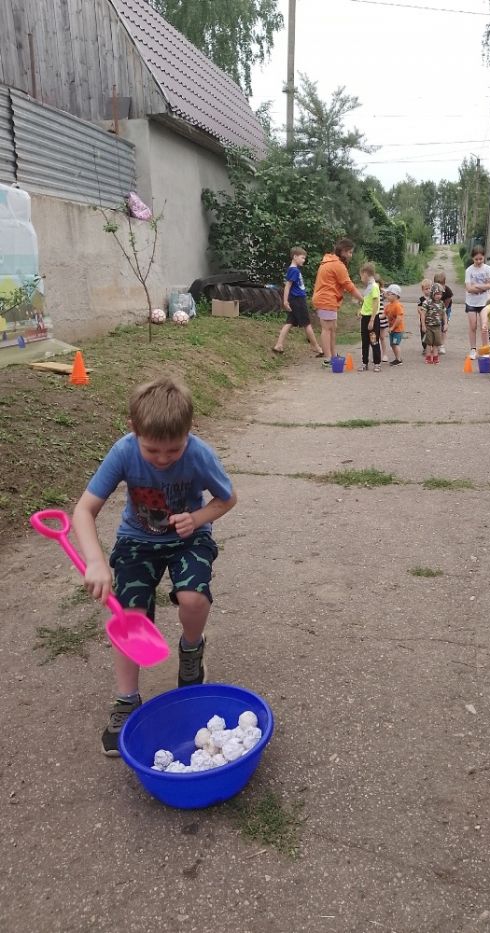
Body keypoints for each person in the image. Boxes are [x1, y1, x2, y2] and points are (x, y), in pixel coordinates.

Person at [72, 377, 237, 756]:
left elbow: (227, 499)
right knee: (130, 616)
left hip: (189, 538)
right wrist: (95, 562)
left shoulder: (199, 454)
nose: (163, 458)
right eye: (152, 450)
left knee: (193, 598)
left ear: (188, 431)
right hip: (137, 541)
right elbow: (84, 510)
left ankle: (191, 650)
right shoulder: (123, 452)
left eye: (173, 449)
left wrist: (197, 518)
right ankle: (127, 699)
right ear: (134, 429)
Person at [312, 237, 364, 368]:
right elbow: (349, 286)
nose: (351, 255)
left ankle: (333, 356)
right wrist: (363, 299)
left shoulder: (329, 260)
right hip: (326, 299)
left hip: (328, 299)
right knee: (327, 329)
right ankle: (328, 358)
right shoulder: (337, 265)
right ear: (343, 251)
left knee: (332, 328)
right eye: (350, 252)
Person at [272, 246, 324, 357]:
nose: (303, 260)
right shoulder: (293, 270)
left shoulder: (294, 270)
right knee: (307, 323)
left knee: (289, 322)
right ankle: (316, 346)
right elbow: (287, 286)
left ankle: (279, 345)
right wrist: (285, 301)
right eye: (302, 258)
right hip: (298, 300)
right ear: (295, 257)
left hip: (297, 299)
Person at [464, 244, 490, 358]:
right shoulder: (469, 270)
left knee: (484, 326)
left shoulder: (488, 269)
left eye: (480, 259)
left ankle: (485, 349)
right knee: (473, 326)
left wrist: (477, 286)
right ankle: (473, 349)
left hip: (484, 302)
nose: (478, 261)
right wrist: (484, 287)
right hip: (471, 302)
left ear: (484, 257)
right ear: (472, 258)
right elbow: (469, 288)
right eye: (476, 259)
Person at [358, 262, 382, 372]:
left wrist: (372, 320)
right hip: (365, 317)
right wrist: (361, 310)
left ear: (365, 274)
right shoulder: (368, 287)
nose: (361, 278)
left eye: (361, 276)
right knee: (365, 341)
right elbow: (367, 302)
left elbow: (375, 303)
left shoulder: (374, 287)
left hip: (372, 318)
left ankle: (377, 363)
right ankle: (365, 363)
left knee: (374, 341)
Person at [419, 283, 447, 364]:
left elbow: (444, 314)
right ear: (432, 293)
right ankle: (428, 357)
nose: (439, 296)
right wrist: (423, 325)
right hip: (429, 326)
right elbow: (423, 314)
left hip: (438, 327)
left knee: (436, 343)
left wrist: (446, 324)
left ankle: (435, 357)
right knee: (429, 343)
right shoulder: (427, 302)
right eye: (437, 294)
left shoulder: (441, 303)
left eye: (440, 294)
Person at [433, 271, 453, 355]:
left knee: (443, 327)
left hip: (445, 308)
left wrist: (442, 314)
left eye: (441, 284)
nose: (440, 286)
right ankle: (434, 344)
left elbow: (446, 304)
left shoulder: (447, 291)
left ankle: (442, 345)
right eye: (437, 284)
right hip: (435, 309)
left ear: (444, 283)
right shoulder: (433, 290)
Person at [384, 284, 405, 365]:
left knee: (395, 344)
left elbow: (399, 318)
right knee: (392, 344)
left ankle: (398, 360)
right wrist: (375, 317)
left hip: (398, 330)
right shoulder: (388, 306)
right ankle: (397, 358)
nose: (387, 296)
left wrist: (392, 327)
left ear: (395, 295)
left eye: (388, 294)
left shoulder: (398, 306)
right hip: (392, 329)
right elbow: (384, 315)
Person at [376, 275, 390, 363]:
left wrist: (383, 290)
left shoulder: (381, 293)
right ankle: (376, 354)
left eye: (377, 284)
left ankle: (385, 354)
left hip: (382, 317)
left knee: (382, 337)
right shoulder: (370, 293)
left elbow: (388, 294)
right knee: (374, 338)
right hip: (374, 317)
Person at [417, 278, 432, 353]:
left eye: (429, 288)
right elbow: (418, 308)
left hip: (432, 319)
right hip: (423, 320)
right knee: (423, 333)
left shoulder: (433, 299)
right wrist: (422, 313)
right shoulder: (421, 299)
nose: (428, 290)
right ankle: (425, 347)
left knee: (432, 333)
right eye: (426, 289)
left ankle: (432, 346)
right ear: (423, 290)